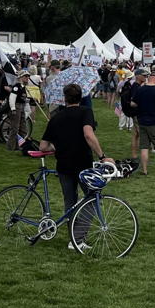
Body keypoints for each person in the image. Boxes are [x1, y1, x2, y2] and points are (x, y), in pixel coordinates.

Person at [38, 83, 115, 250]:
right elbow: (88, 134)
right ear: (81, 97)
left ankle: (74, 238)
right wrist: (102, 156)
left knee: (70, 202)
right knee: (92, 198)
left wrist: (56, 147)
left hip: (63, 165)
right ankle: (78, 238)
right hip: (82, 163)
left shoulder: (56, 117)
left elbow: (43, 146)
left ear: (64, 98)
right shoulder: (85, 112)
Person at [130, 71, 155, 176]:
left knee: (144, 147)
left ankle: (144, 170)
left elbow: (133, 103)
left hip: (142, 122)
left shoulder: (140, 90)